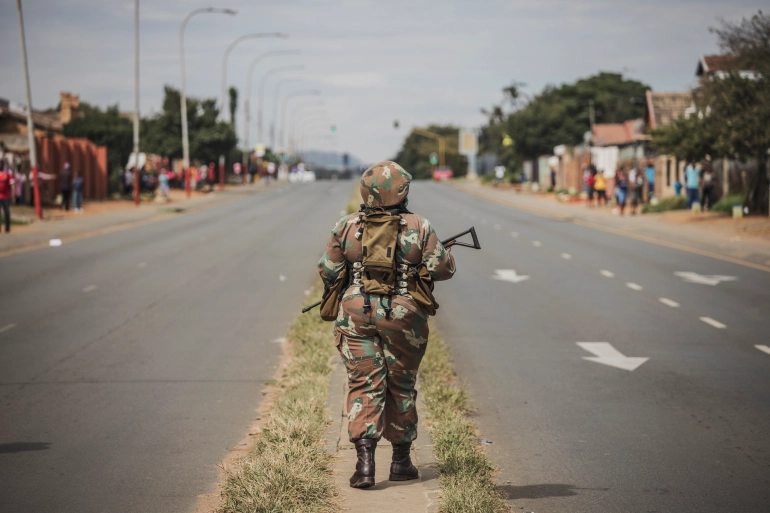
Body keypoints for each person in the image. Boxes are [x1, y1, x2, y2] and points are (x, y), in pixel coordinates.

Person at [318, 161, 456, 489]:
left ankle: (364, 466)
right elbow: (442, 270)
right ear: (404, 190)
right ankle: (401, 462)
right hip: (404, 317)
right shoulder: (419, 226)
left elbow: (328, 270)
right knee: (401, 385)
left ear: (366, 191)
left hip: (355, 315)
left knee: (364, 383)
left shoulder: (347, 225)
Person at [0, 162, 14, 233]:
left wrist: (13, 194)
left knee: (7, 213)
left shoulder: (8, 173)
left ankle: (7, 228)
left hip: (6, 197)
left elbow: (12, 184)